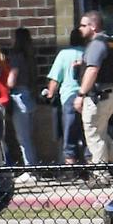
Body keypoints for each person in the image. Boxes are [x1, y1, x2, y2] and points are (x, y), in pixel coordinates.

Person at [74, 10, 113, 186]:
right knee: (101, 133)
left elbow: (92, 70)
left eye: (83, 25)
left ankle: (101, 176)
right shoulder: (111, 43)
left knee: (94, 135)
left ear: (93, 26)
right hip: (110, 94)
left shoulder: (96, 44)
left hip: (97, 97)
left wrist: (81, 94)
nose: (80, 28)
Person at [46, 28, 87, 165]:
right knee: (87, 133)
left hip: (69, 97)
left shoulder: (64, 54)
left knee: (69, 135)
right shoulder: (88, 53)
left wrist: (50, 93)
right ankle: (93, 168)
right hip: (86, 96)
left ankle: (72, 170)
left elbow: (55, 78)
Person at [7, 28, 38, 176]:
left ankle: (30, 170)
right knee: (29, 137)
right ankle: (33, 168)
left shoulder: (15, 56)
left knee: (22, 138)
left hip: (18, 96)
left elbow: (11, 80)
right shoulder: (30, 56)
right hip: (29, 96)